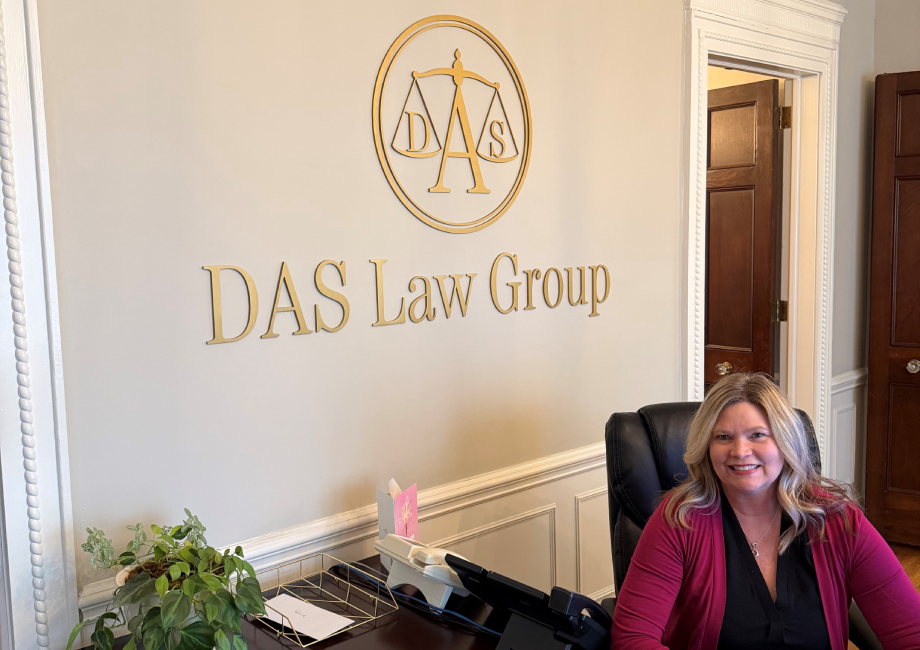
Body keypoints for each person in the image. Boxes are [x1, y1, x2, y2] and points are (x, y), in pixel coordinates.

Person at [610, 373, 920, 650]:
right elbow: (632, 638)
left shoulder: (837, 520)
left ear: (785, 442)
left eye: (758, 435)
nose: (740, 451)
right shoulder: (679, 521)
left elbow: (911, 634)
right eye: (723, 437)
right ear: (706, 447)